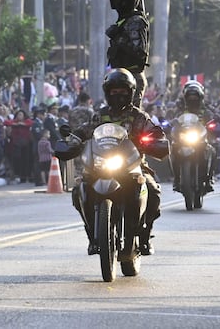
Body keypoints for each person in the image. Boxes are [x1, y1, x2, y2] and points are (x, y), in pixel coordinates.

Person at [59, 68, 168, 256]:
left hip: (133, 166)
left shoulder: (139, 117)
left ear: (131, 92)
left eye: (123, 91)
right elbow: (85, 130)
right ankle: (92, 236)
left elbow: (154, 133)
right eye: (114, 92)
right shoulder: (100, 116)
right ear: (108, 93)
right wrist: (73, 139)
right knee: (79, 189)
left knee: (153, 190)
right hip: (101, 165)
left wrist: (153, 139)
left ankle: (144, 237)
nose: (118, 95)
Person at [105, 0, 150, 107]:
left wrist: (118, 37)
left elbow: (139, 51)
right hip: (118, 77)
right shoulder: (122, 22)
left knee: (132, 117)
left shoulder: (136, 21)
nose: (117, 2)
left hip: (131, 77)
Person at [171, 80, 216, 193]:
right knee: (173, 150)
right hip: (183, 138)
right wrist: (170, 123)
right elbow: (173, 118)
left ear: (200, 97)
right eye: (190, 97)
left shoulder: (205, 109)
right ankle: (177, 178)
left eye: (195, 97)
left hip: (200, 138)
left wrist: (214, 121)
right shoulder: (180, 109)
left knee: (212, 151)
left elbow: (213, 117)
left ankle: (209, 178)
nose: (192, 99)